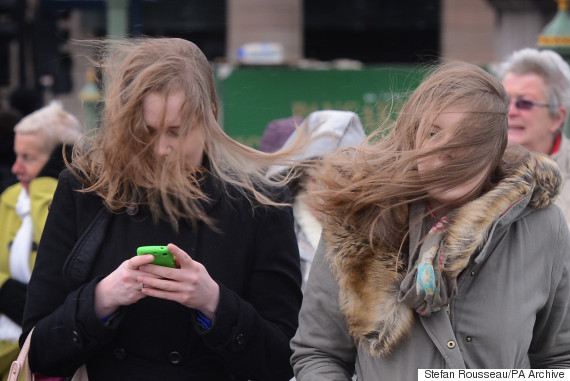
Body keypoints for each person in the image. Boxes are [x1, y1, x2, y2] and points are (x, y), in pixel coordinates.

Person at [20, 37, 302, 381]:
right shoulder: (85, 188)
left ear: (211, 114)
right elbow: (37, 350)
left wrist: (212, 302)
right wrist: (101, 300)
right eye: (146, 132)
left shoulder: (258, 203)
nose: (161, 149)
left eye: (176, 132)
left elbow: (282, 360)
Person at [290, 61, 570, 379]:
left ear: (495, 150)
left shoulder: (541, 227)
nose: (446, 153)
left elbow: (560, 359)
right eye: (433, 133)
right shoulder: (358, 220)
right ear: (412, 137)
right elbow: (318, 354)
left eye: (468, 140)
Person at [0, 101, 83, 380]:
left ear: (59, 160)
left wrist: (47, 187)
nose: (16, 168)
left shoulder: (80, 205)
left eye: (28, 158)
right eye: (16, 155)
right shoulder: (9, 199)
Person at [266, 110, 367, 291]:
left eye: (337, 178)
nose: (324, 191)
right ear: (303, 180)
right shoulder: (278, 232)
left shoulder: (378, 232)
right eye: (315, 179)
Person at [497, 48, 570, 226]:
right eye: (504, 101)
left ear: (557, 118)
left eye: (525, 103)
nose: (511, 111)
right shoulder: (475, 167)